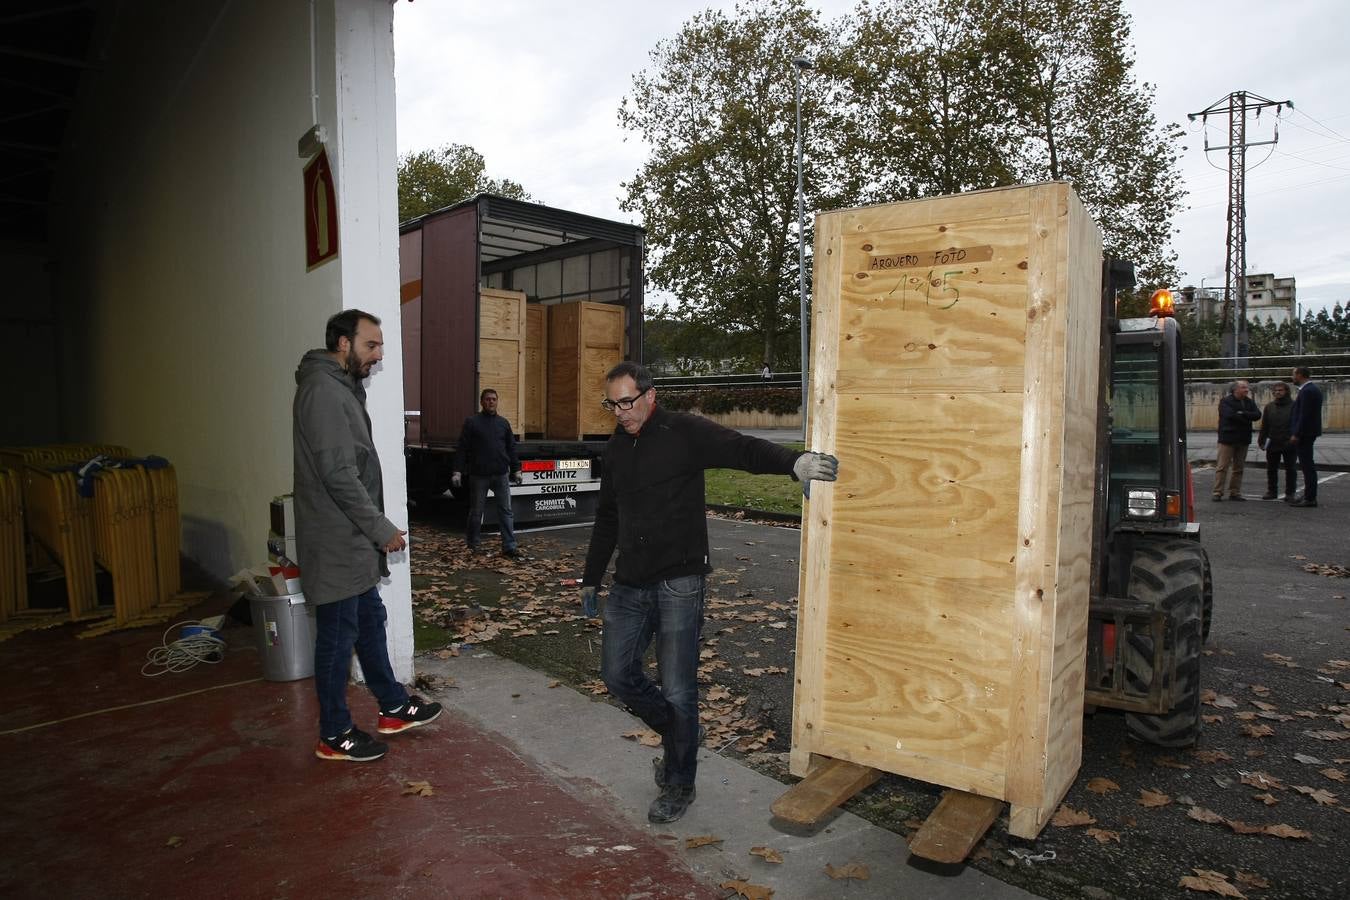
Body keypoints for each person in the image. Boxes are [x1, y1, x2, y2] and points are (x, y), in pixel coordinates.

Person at [580, 361, 838, 824]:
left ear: (650, 395)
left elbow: (741, 449)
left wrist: (792, 462)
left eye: (626, 402)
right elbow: (607, 518)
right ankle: (681, 734)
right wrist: (590, 578)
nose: (619, 412)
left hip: (680, 582)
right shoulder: (617, 447)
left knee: (679, 689)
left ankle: (680, 781)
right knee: (616, 675)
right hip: (630, 583)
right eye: (611, 404)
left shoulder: (683, 432)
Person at [293, 309, 442, 762]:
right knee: (338, 641)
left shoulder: (341, 388)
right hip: (339, 542)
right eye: (370, 345)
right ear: (343, 343)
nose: (378, 356)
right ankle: (334, 733)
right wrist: (380, 529)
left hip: (351, 542)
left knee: (370, 625)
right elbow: (338, 474)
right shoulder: (323, 392)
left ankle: (394, 706)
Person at [451, 388, 523, 557]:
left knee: (506, 511)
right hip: (479, 475)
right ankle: (473, 544)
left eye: (494, 399)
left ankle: (509, 546)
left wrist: (517, 469)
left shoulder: (503, 423)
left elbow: (511, 448)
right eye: (488, 399)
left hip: (500, 475)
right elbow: (462, 448)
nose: (491, 402)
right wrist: (457, 471)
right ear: (482, 402)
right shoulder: (472, 422)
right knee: (476, 512)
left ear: (497, 402)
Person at [1212, 379, 1260, 501]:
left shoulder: (1249, 402)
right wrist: (1246, 416)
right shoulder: (1226, 401)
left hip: (1243, 438)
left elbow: (1257, 415)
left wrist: (1242, 413)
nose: (1246, 390)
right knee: (1222, 466)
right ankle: (1217, 492)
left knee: (1239, 468)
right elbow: (1230, 415)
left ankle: (1235, 491)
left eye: (1247, 387)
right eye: (1243, 387)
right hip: (1228, 438)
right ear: (1235, 389)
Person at [1289, 366, 1324, 508]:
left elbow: (1304, 415)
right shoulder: (1311, 390)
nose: (1292, 377)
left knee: (1307, 465)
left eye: (1293, 375)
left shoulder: (1307, 391)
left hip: (1305, 433)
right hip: (1309, 432)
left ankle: (1310, 497)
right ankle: (1308, 494)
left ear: (1300, 375)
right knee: (1306, 464)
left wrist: (1296, 433)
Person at [1257, 382, 1297, 502]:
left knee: (1290, 469)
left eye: (1280, 390)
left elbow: (1297, 423)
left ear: (1286, 391)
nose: (1277, 392)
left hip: (1288, 442)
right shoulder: (1269, 407)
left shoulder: (1294, 405)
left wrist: (1295, 437)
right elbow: (1265, 425)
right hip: (1273, 442)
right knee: (1271, 468)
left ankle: (1290, 493)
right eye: (1275, 390)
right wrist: (1261, 440)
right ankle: (1272, 491)